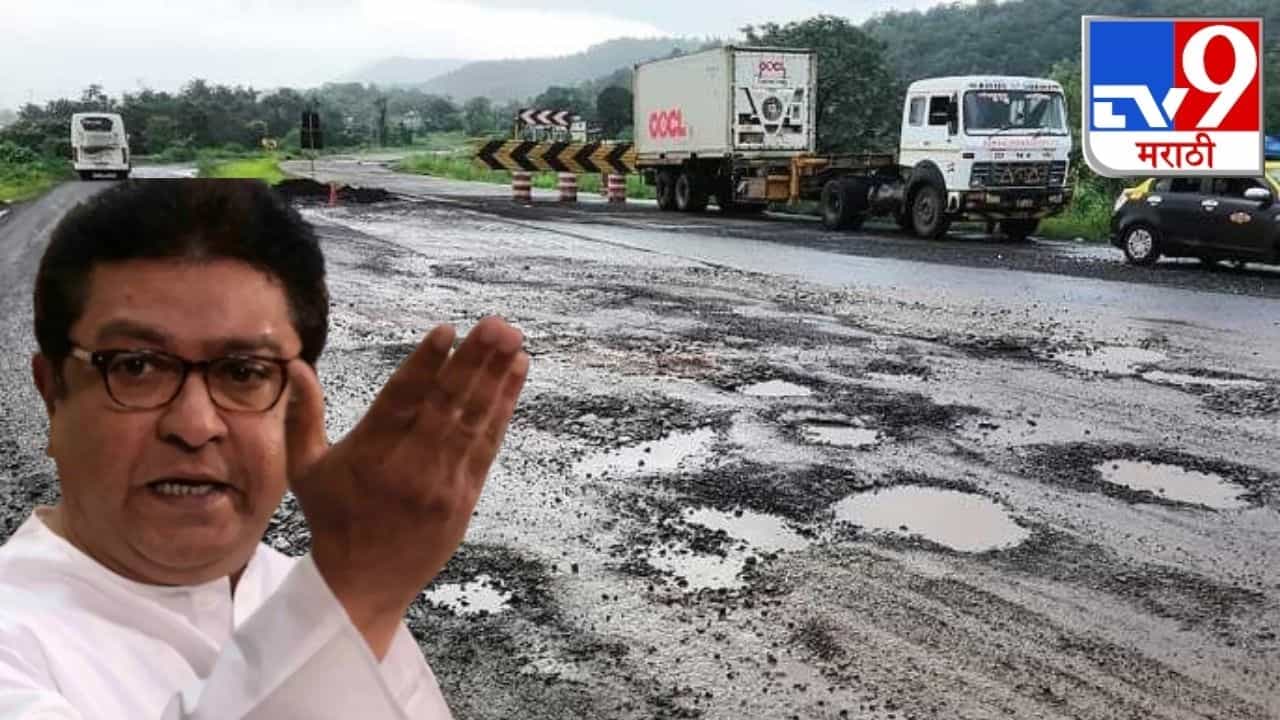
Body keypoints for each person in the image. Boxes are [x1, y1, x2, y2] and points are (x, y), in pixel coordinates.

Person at [0, 179, 530, 718]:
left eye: (244, 372)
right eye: (136, 366)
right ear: (52, 393)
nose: (195, 424)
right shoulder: (15, 641)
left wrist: (347, 594)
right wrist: (357, 590)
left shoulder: (298, 589)